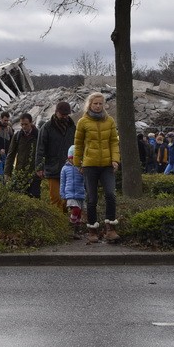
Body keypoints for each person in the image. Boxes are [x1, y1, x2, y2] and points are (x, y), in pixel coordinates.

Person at [73, 92, 120, 244]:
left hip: (107, 165)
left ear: (104, 105)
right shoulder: (82, 122)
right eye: (95, 103)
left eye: (100, 103)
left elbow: (114, 142)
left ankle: (110, 229)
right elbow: (78, 145)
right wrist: (77, 162)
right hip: (89, 165)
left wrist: (115, 160)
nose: (98, 106)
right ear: (90, 104)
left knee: (110, 195)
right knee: (92, 198)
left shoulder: (110, 121)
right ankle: (92, 231)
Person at [35, 101, 76, 210]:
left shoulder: (72, 127)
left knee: (68, 199)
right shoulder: (46, 128)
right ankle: (58, 223)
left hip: (69, 168)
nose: (65, 117)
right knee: (56, 198)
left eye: (67, 114)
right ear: (56, 112)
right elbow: (40, 148)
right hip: (53, 168)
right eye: (62, 114)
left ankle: (67, 222)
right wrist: (39, 167)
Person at [5, 112, 41, 198]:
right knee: (19, 198)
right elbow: (11, 155)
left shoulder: (39, 136)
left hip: (34, 174)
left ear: (31, 123)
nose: (24, 126)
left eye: (26, 124)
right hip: (20, 173)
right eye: (22, 124)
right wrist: (7, 173)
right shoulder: (17, 136)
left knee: (34, 199)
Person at [60, 146, 86, 239]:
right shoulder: (65, 169)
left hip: (80, 194)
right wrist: (63, 194)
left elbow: (85, 181)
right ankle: (71, 225)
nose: (74, 161)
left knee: (79, 213)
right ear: (69, 158)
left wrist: (83, 172)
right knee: (76, 210)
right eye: (72, 159)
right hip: (70, 194)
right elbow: (62, 182)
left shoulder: (81, 168)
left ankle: (76, 230)